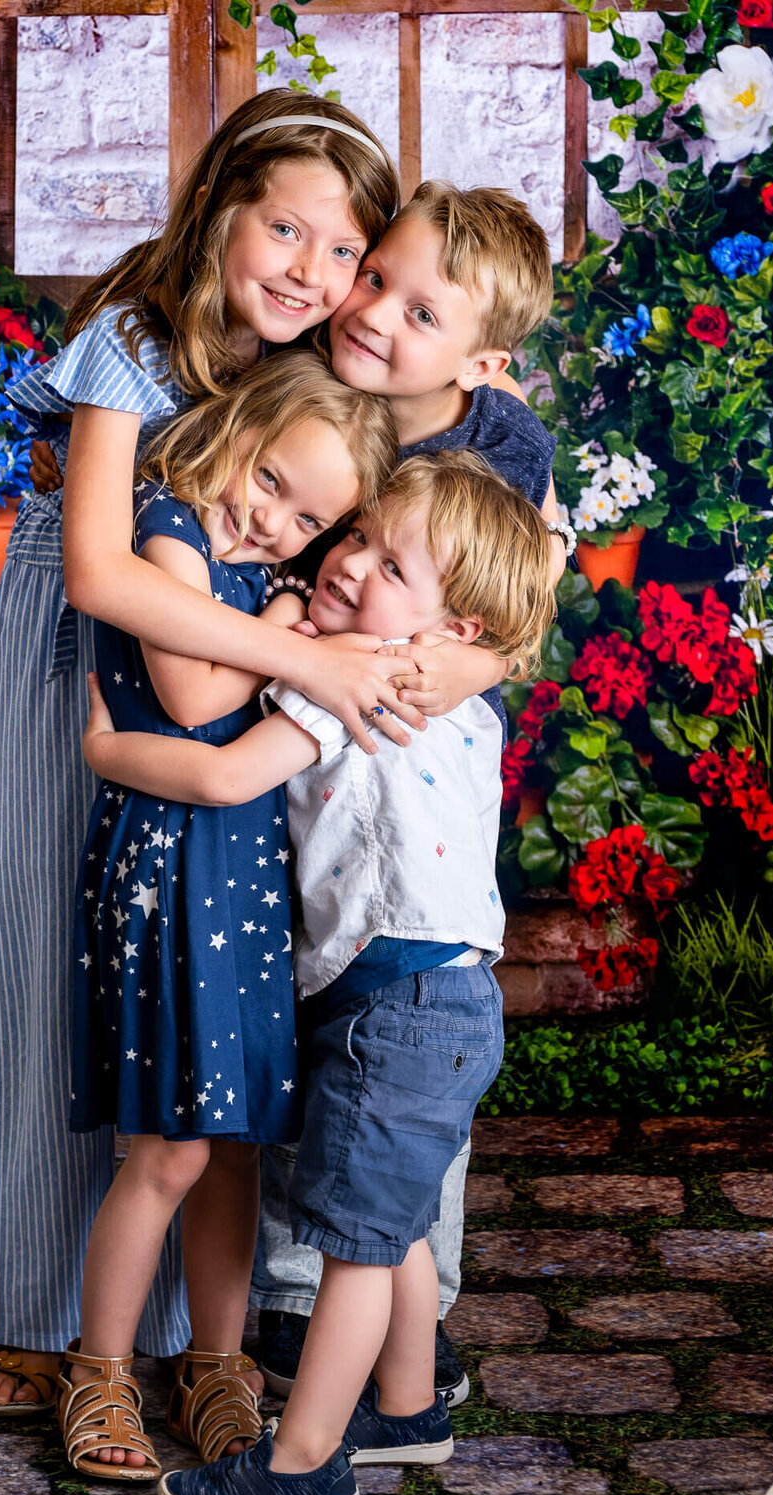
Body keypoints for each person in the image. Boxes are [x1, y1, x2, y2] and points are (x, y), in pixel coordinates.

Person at [0, 90, 424, 1416]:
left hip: (216, 685)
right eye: (286, 229)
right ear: (223, 206)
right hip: (86, 661)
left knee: (183, 1012)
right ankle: (33, 1309)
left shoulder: (313, 357)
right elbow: (106, 573)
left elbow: (414, 445)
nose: (313, 272)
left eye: (345, 252)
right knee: (55, 967)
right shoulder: (135, 336)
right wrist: (307, 661)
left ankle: (180, 1330)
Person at [80, 451, 558, 1495]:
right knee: (394, 1215)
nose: (351, 563)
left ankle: (302, 1465)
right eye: (358, 538)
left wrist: (111, 751)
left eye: (391, 564)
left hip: (396, 999)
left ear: (455, 631)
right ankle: (405, 1404)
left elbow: (228, 774)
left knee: (354, 1244)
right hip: (444, 995)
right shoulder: (455, 694)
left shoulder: (361, 680)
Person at [252, 180, 572, 1402]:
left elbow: (526, 590)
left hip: (416, 762)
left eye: (417, 307)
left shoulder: (498, 446)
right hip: (314, 739)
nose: (373, 309)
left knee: (405, 1041)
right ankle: (300, 1288)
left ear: (483, 359)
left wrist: (425, 665)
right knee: (318, 1001)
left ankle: (403, 1313)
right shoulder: (311, 379)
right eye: (372, 274)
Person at [59, 351, 397, 1482]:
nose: (272, 521)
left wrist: (294, 609)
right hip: (166, 864)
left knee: (236, 1138)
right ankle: (99, 1367)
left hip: (238, 870)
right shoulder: (169, 530)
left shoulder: (263, 576)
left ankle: (216, 1364)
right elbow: (200, 695)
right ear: (236, 430)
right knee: (168, 1145)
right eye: (268, 482)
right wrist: (304, 635)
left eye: (306, 518)